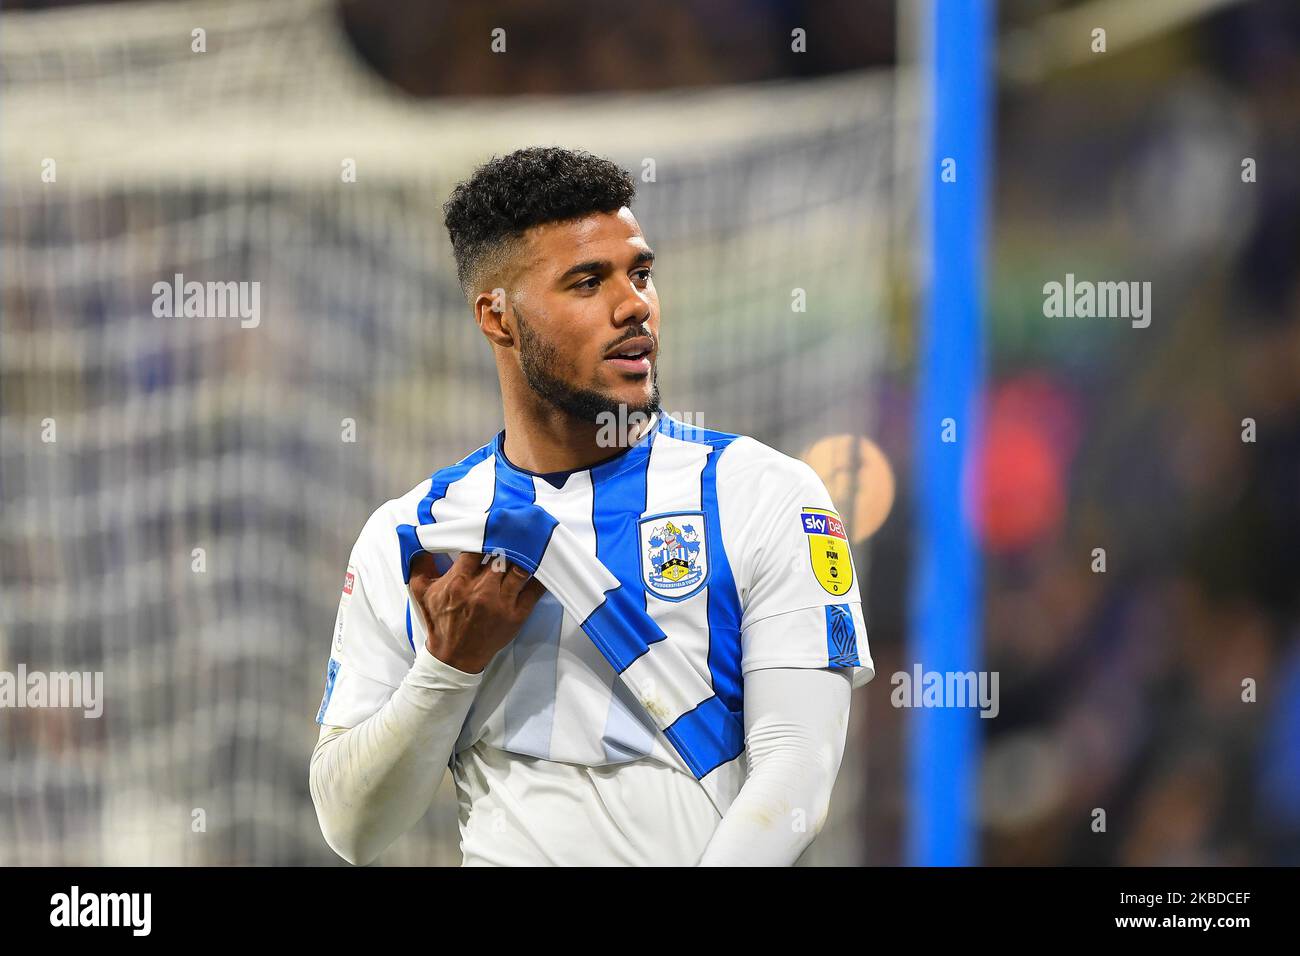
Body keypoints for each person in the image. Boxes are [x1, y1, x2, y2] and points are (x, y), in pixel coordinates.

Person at [309, 146, 874, 866]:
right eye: (586, 282)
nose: (634, 304)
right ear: (498, 317)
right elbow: (352, 830)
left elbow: (798, 779)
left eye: (640, 273)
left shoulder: (763, 496)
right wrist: (448, 665)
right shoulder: (414, 535)